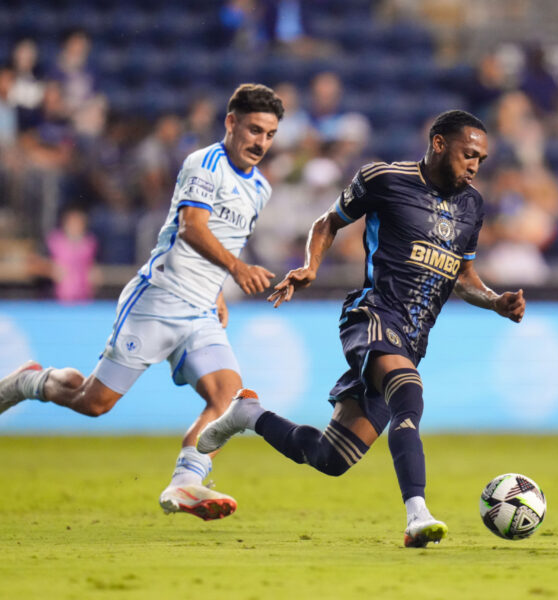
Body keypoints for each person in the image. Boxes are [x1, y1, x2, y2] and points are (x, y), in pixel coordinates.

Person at [196, 110, 526, 546]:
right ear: (439, 144)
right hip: (371, 316)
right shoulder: (385, 179)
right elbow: (327, 222)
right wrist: (311, 265)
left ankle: (249, 415)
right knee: (409, 393)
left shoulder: (472, 206)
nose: (475, 166)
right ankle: (417, 514)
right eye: (469, 155)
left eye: (481, 159)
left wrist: (496, 301)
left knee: (331, 457)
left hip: (410, 340)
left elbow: (464, 278)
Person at [0, 83, 285, 521]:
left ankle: (187, 481)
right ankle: (30, 382)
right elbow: (192, 228)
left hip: (202, 312)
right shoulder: (204, 163)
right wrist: (236, 270)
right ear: (231, 123)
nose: (260, 142)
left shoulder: (260, 188)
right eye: (253, 130)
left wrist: (216, 291)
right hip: (158, 300)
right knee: (94, 402)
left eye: (269, 134)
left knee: (229, 399)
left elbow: (229, 238)